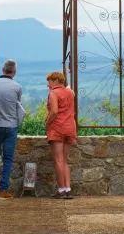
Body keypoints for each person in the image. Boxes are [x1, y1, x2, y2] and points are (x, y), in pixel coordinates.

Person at [0, 59, 22, 200]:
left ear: (2, 69)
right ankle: (3, 191)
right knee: (8, 159)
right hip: (10, 126)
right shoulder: (17, 87)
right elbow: (17, 105)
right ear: (14, 71)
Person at [44, 71, 76, 199]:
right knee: (64, 160)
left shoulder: (53, 93)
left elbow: (54, 111)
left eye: (49, 81)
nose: (48, 84)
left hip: (57, 128)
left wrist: (47, 122)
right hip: (70, 128)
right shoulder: (70, 92)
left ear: (56, 81)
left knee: (58, 160)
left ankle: (61, 190)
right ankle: (68, 189)